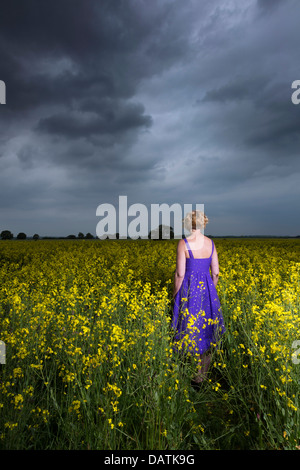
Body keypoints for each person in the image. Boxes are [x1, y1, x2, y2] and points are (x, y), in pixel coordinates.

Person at [171, 210, 225, 385]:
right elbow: (215, 273)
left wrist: (175, 296)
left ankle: (194, 377)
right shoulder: (211, 243)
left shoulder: (183, 244)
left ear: (187, 224)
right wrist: (209, 290)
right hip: (208, 292)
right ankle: (203, 376)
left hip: (188, 292)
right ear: (203, 224)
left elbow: (180, 274)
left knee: (192, 331)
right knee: (207, 333)